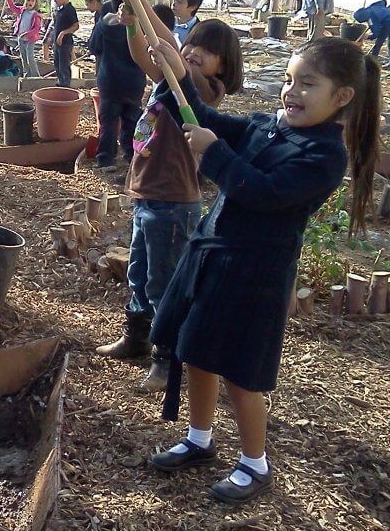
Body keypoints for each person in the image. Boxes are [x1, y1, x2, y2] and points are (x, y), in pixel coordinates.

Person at [147, 37, 380, 504]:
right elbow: (206, 120)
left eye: (307, 84)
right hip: (213, 258)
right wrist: (175, 76)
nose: (291, 92)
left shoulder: (323, 157)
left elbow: (263, 192)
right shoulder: (266, 127)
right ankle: (200, 437)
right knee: (197, 351)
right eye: (289, 80)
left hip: (255, 276)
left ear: (342, 97)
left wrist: (214, 154)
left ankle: (255, 462)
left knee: (240, 373)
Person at [96, 2, 243, 392]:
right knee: (139, 274)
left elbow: (172, 56)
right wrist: (132, 26)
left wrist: (144, 4)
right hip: (147, 193)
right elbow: (146, 58)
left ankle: (167, 359)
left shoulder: (207, 90)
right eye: (192, 43)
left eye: (206, 51)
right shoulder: (168, 78)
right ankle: (136, 338)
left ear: (223, 67)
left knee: (164, 283)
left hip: (174, 202)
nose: (194, 51)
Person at [88, 5, 146, 167]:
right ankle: (131, 155)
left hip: (110, 80)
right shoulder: (141, 23)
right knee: (131, 118)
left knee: (108, 120)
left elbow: (93, 46)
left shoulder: (104, 24)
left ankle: (106, 159)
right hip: (134, 80)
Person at [42, 0, 80, 87]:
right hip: (57, 44)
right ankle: (60, 83)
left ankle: (65, 86)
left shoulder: (70, 10)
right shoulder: (60, 10)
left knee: (64, 66)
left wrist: (64, 33)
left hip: (66, 44)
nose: (54, 0)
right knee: (57, 65)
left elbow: (76, 26)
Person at [5, 0, 44, 77]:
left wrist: (27, 33)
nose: (30, 2)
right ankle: (26, 75)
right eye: (28, 0)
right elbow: (12, 7)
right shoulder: (22, 10)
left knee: (30, 57)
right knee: (23, 57)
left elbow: (37, 28)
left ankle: (35, 76)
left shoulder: (35, 15)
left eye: (33, 1)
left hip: (30, 39)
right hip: (21, 38)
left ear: (35, 3)